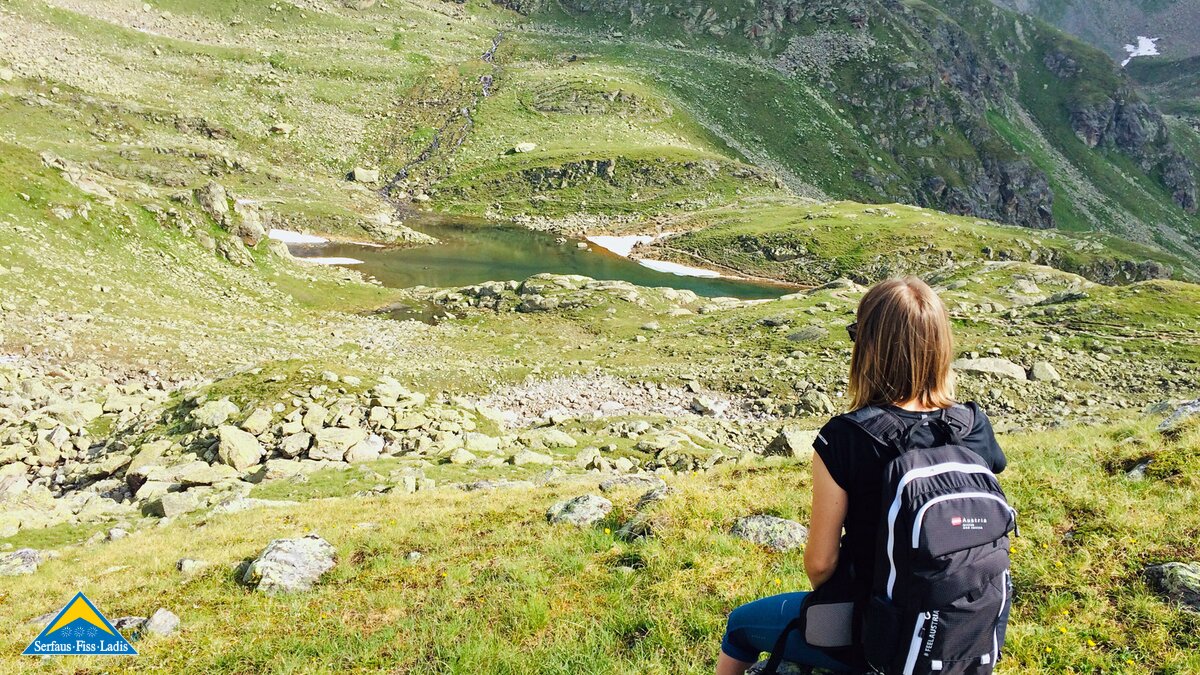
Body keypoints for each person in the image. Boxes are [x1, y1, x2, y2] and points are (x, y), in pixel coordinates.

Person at [717, 276, 1008, 674]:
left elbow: (820, 564)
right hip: (964, 627)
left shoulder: (846, 436)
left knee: (740, 625)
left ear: (870, 349)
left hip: (876, 635)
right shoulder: (973, 425)